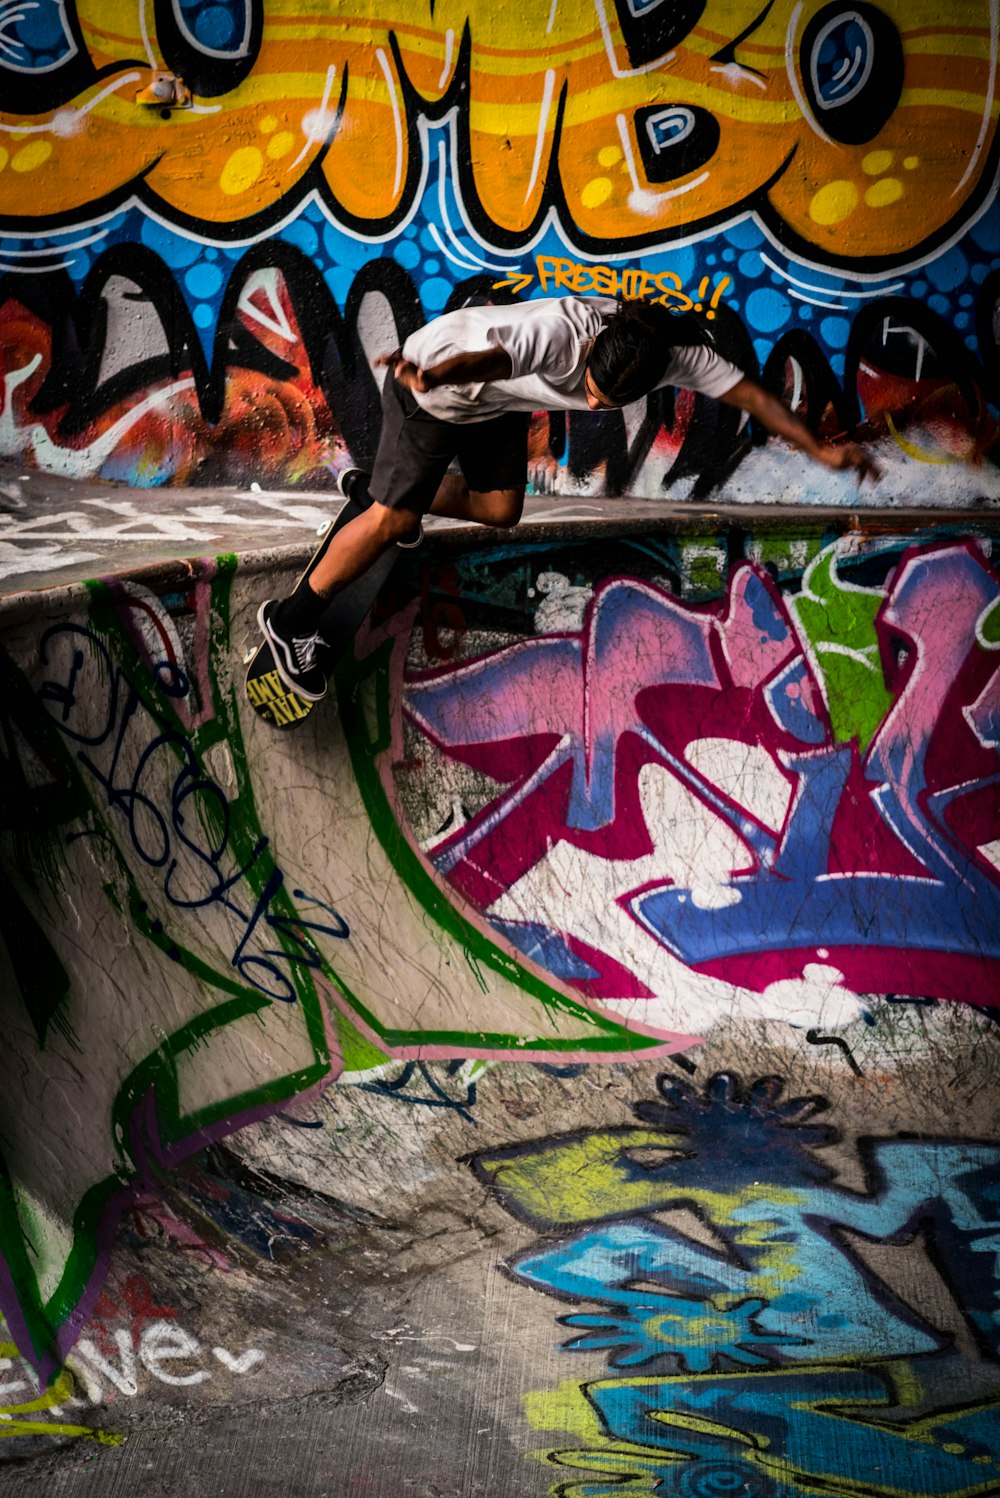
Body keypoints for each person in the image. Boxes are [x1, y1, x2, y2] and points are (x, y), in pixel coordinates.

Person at [258, 295, 880, 700]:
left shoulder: (668, 354)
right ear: (588, 353)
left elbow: (751, 396)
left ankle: (384, 489)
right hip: (431, 388)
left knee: (500, 509)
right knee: (392, 520)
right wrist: (433, 374)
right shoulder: (556, 336)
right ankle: (292, 622)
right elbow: (491, 357)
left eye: (607, 404)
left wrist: (820, 451)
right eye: (589, 391)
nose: (590, 405)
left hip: (495, 405)